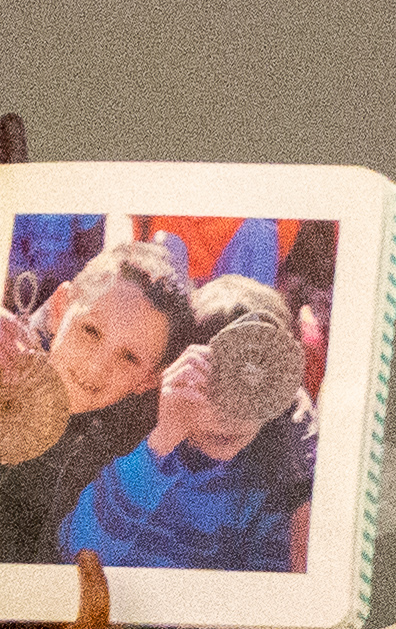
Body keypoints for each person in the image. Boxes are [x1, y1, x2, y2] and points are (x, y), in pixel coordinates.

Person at [60, 288, 312, 576]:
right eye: (213, 383)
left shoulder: (265, 487)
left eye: (256, 391)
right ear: (173, 371)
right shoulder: (124, 444)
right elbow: (77, 556)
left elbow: (267, 599)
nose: (230, 415)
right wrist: (162, 441)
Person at [0, 240, 193, 560]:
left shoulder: (131, 454)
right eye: (90, 331)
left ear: (148, 380)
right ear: (60, 307)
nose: (95, 366)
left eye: (129, 357)